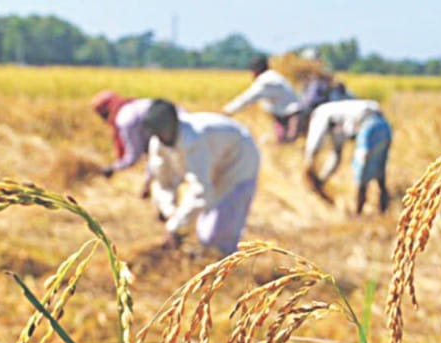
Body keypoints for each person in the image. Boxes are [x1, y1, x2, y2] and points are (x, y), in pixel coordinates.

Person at [142, 99, 260, 255]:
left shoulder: (194, 138)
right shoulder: (158, 143)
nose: (161, 135)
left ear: (174, 122)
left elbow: (201, 192)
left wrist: (174, 227)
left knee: (217, 232)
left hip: (238, 163)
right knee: (205, 228)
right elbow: (164, 181)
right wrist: (169, 211)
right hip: (215, 163)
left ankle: (226, 262)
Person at [303, 99, 392, 214]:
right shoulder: (337, 117)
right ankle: (382, 210)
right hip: (384, 126)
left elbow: (314, 143)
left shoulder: (320, 113)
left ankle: (358, 213)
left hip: (369, 127)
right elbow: (336, 156)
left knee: (361, 169)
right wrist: (322, 180)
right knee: (380, 169)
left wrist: (308, 161)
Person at [223, 55, 302, 143]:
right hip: (283, 115)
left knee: (289, 142)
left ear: (256, 70)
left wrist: (227, 111)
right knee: (283, 143)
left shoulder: (267, 81)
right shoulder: (273, 76)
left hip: (290, 116)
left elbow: (247, 98)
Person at [91, 90, 154, 195]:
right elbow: (154, 154)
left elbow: (133, 156)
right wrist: (147, 184)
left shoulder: (125, 118)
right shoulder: (138, 105)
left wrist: (113, 168)